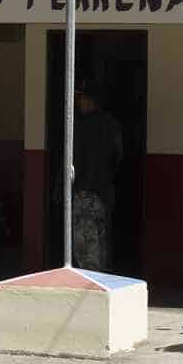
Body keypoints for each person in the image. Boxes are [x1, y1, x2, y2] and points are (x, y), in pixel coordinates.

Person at [69, 84, 123, 271]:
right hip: (104, 191)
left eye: (82, 98)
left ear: (92, 101)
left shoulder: (82, 127)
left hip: (86, 192)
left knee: (85, 246)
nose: (79, 103)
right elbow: (117, 157)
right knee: (101, 241)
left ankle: (92, 285)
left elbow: (76, 159)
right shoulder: (112, 125)